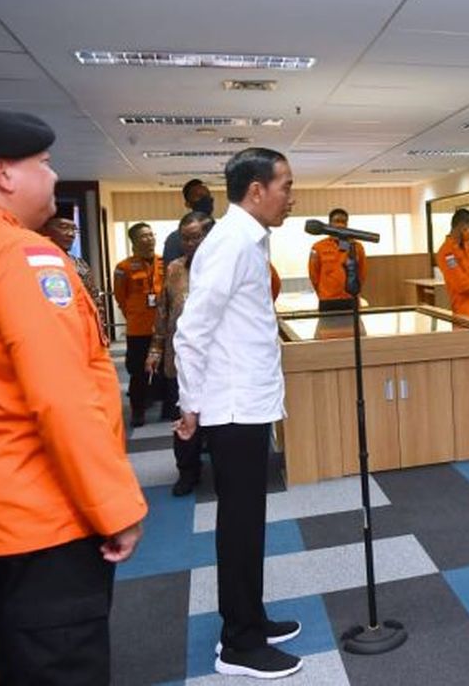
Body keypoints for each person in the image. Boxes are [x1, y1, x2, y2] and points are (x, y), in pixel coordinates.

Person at [0, 106, 146, 685]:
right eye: (42, 163)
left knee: (17, 657)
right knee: (59, 665)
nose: (53, 175)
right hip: (47, 512)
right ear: (3, 172)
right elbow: (61, 399)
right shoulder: (20, 256)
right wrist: (114, 507)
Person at [173, 148, 302, 679]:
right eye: (285, 186)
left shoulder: (248, 239)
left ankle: (251, 616)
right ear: (256, 191)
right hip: (230, 408)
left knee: (249, 522)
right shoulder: (229, 244)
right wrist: (189, 407)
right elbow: (192, 329)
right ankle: (239, 644)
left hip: (247, 402)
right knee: (240, 525)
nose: (291, 198)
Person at [146, 211, 213, 497]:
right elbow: (163, 311)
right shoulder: (174, 269)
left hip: (216, 361)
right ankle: (187, 471)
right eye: (185, 238)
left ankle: (221, 470)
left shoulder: (222, 268)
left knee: (218, 420)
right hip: (180, 361)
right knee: (182, 420)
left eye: (195, 237)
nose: (189, 244)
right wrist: (156, 349)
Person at [114, 221, 164, 426]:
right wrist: (135, 315)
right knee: (138, 372)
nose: (149, 239)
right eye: (144, 236)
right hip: (138, 329)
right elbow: (120, 298)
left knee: (165, 370)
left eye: (151, 235)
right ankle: (138, 410)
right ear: (133, 241)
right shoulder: (123, 267)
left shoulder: (165, 262)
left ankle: (167, 406)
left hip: (162, 328)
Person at [42, 204, 105, 327]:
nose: (71, 234)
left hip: (82, 326)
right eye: (63, 227)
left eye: (74, 229)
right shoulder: (37, 262)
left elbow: (95, 300)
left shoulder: (80, 264)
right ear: (45, 229)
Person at [308, 207, 367, 312]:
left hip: (350, 299)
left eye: (344, 222)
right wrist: (322, 293)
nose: (341, 225)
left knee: (353, 328)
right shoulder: (317, 247)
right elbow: (313, 275)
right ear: (330, 224)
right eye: (337, 221)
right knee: (326, 328)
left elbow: (362, 272)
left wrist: (354, 291)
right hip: (327, 299)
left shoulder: (357, 246)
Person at [163, 178, 216, 267]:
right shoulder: (176, 238)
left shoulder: (223, 231)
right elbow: (170, 275)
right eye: (199, 196)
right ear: (188, 204)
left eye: (207, 195)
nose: (205, 199)